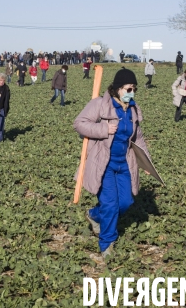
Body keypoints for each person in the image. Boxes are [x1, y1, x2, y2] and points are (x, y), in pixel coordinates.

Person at [73, 68, 155, 259]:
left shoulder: (133, 110)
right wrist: (104, 128)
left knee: (125, 203)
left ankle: (95, 214)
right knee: (110, 204)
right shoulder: (100, 105)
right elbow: (79, 123)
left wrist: (147, 163)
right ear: (118, 89)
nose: (131, 93)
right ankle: (107, 244)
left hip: (125, 163)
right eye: (128, 89)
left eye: (134, 89)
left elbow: (138, 138)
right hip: (104, 164)